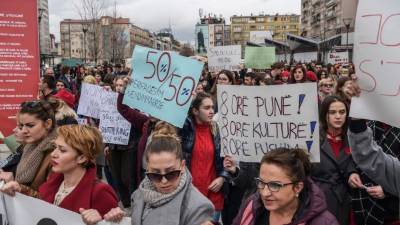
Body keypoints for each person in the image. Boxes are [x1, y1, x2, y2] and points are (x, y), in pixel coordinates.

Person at [0, 125, 119, 225]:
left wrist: (100, 221)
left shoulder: (100, 192)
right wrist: (21, 189)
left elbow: (114, 221)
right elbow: (45, 205)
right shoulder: (55, 179)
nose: (53, 154)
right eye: (55, 147)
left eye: (62, 150)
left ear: (82, 158)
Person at [232, 148, 339, 225]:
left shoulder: (324, 222)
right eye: (261, 183)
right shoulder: (252, 206)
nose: (264, 193)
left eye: (274, 185)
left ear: (297, 187)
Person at [180, 92, 229, 223]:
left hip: (214, 194)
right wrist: (185, 100)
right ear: (195, 111)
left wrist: (222, 177)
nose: (212, 111)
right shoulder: (187, 130)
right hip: (191, 195)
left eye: (212, 107)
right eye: (206, 108)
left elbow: (226, 159)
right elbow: (175, 115)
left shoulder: (216, 128)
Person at [312, 95, 359, 225]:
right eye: (332, 112)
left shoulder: (354, 138)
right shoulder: (312, 138)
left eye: (342, 112)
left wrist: (353, 173)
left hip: (345, 201)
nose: (338, 116)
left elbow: (356, 165)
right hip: (319, 201)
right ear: (324, 114)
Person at [0, 100, 58, 191]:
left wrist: (18, 188)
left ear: (48, 124)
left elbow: (51, 199)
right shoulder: (28, 146)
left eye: (30, 126)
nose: (23, 130)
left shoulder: (56, 154)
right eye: (21, 126)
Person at [348, 119, 400, 197]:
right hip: (363, 197)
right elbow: (362, 154)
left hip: (389, 203)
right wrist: (352, 172)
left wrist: (386, 190)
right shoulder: (371, 125)